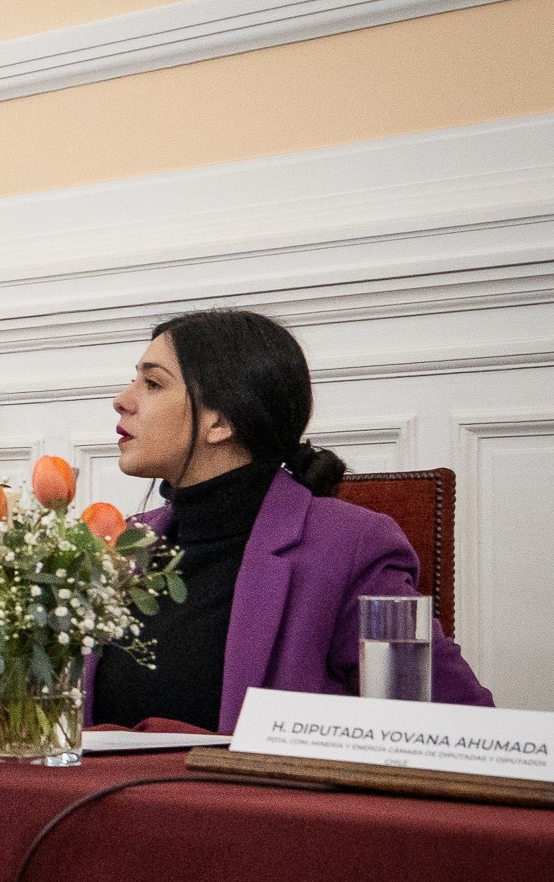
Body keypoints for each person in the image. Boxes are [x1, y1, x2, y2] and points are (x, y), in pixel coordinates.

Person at [93, 308, 490, 732]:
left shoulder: (353, 547)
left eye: (152, 383)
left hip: (252, 799)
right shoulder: (128, 540)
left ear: (221, 421)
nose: (122, 399)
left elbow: (452, 725)